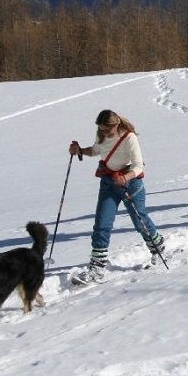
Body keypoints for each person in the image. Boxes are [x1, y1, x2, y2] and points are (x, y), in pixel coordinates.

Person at [68, 110, 164, 284]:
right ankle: (97, 268)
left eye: (107, 130)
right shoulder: (101, 136)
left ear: (116, 124)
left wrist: (125, 177)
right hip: (109, 182)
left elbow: (138, 166)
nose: (103, 132)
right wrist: (79, 150)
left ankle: (158, 248)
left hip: (130, 183)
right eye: (101, 129)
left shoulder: (129, 138)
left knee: (140, 221)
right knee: (102, 224)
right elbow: (96, 150)